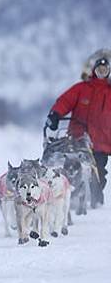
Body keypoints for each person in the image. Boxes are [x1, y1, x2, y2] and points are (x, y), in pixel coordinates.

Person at [45, 49, 111, 205]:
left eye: (105, 70)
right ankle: (68, 197)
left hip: (102, 142)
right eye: (99, 70)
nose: (102, 72)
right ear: (94, 71)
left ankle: (94, 201)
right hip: (78, 138)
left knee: (98, 172)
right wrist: (55, 115)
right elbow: (65, 101)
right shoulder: (82, 88)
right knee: (73, 167)